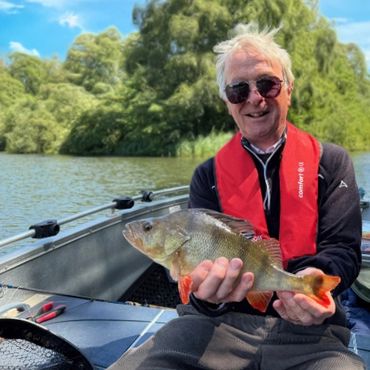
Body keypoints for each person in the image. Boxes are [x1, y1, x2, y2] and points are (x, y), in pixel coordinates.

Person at [108, 23, 365, 370]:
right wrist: (208, 298)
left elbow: (343, 253)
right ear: (228, 102)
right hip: (214, 328)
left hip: (309, 334)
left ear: (288, 88)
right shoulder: (207, 175)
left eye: (267, 84)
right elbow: (195, 283)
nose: (254, 98)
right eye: (238, 90)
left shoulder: (330, 162)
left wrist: (314, 281)